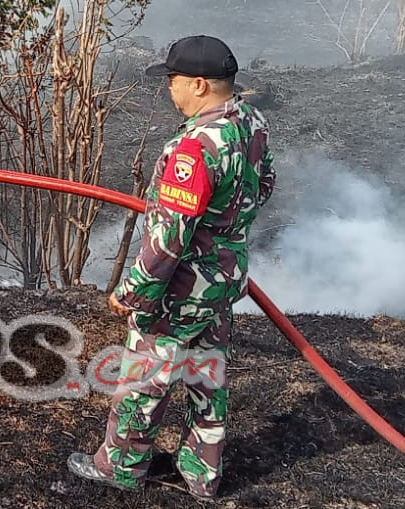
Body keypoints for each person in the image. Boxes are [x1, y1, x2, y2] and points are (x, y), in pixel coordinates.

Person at [68, 34, 276, 500]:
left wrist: (134, 290)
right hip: (222, 282)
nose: (170, 89)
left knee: (144, 379)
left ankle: (120, 466)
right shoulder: (251, 122)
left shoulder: (196, 147)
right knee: (206, 375)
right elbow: (263, 187)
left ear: (200, 85)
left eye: (175, 81)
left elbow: (169, 238)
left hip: (181, 288)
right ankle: (202, 473)